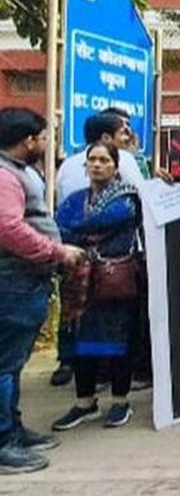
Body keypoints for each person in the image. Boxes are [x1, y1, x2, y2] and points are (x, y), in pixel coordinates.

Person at [0, 108, 86, 473]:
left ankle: (13, 429)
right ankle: (3, 442)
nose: (47, 142)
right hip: (13, 280)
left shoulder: (18, 170)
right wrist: (56, 251)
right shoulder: (5, 176)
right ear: (28, 140)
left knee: (13, 362)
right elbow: (8, 228)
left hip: (25, 279)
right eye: (44, 136)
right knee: (5, 364)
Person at [50, 143, 143, 432]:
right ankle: (84, 402)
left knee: (119, 341)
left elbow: (107, 219)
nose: (97, 165)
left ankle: (120, 401)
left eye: (104, 160)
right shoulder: (76, 199)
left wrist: (76, 234)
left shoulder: (127, 198)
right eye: (92, 159)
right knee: (81, 341)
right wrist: (74, 234)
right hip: (80, 282)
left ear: (115, 166)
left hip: (114, 279)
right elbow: (58, 227)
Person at [55, 113, 146, 209]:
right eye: (122, 133)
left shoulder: (67, 165)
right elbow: (141, 197)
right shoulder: (123, 158)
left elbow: (60, 202)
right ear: (106, 138)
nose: (127, 138)